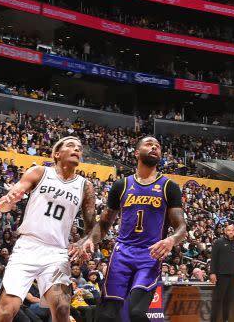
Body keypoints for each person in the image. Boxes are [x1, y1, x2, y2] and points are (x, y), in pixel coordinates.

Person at [78, 136, 187, 322]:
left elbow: (181, 227)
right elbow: (104, 224)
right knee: (106, 315)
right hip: (122, 253)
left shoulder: (169, 187)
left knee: (137, 313)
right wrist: (90, 239)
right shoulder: (122, 185)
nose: (154, 147)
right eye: (149, 144)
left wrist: (171, 240)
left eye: (158, 146)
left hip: (150, 255)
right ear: (136, 153)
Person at [0, 136, 97, 322]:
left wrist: (83, 241)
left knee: (63, 309)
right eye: (70, 145)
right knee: (6, 313)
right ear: (57, 153)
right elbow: (4, 205)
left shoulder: (85, 186)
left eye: (79, 148)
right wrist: (8, 202)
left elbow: (91, 227)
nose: (76, 149)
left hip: (56, 254)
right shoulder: (39, 172)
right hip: (27, 248)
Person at [210, 223, 234, 322]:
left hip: (233, 276)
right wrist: (212, 273)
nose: (230, 232)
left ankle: (226, 320)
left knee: (228, 300)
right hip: (221, 275)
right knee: (217, 300)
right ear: (225, 231)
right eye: (229, 230)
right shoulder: (218, 242)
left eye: (232, 230)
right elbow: (213, 258)